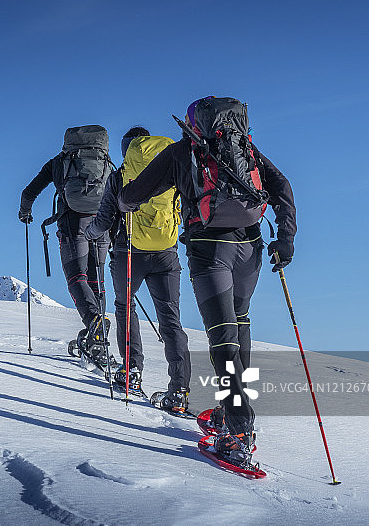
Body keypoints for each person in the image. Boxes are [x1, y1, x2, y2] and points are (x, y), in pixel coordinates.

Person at [117, 97, 296, 466]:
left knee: (222, 340)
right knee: (240, 325)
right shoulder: (244, 147)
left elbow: (134, 193)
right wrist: (287, 238)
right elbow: (281, 186)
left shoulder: (184, 152)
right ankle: (232, 410)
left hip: (210, 249)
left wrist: (125, 203)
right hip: (251, 247)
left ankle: (238, 430)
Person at [84, 127, 191, 412]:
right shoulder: (172, 169)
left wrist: (89, 233)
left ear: (126, 149)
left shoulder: (120, 176)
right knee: (170, 319)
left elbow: (105, 219)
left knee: (125, 306)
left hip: (129, 252)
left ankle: (131, 372)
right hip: (166, 253)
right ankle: (179, 388)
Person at [19, 125, 112, 358]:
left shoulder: (58, 162)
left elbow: (28, 193)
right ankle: (97, 333)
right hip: (102, 225)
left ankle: (94, 322)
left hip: (73, 225)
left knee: (76, 277)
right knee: (95, 279)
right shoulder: (106, 162)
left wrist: (25, 213)